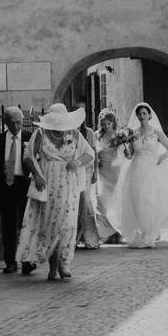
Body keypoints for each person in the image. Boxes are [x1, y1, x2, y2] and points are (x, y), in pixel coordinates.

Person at [17, 103, 95, 281]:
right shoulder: (41, 134)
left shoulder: (74, 134)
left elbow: (90, 153)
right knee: (51, 224)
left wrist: (77, 162)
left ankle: (63, 263)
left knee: (67, 223)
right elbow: (28, 157)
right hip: (48, 184)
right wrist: (36, 175)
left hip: (69, 184)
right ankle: (52, 266)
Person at [110, 102, 168, 249]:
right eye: (139, 114)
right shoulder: (132, 133)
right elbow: (130, 156)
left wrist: (161, 158)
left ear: (149, 116)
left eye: (144, 113)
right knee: (136, 200)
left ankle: (149, 235)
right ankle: (139, 233)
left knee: (149, 199)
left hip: (151, 169)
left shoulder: (156, 132)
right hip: (136, 168)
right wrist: (126, 151)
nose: (142, 116)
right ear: (136, 116)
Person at [0, 106, 35, 275]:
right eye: (14, 123)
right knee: (8, 226)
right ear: (6, 122)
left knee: (26, 225)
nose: (17, 126)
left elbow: (37, 159)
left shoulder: (29, 138)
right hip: (5, 186)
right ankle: (10, 262)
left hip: (24, 185)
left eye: (20, 122)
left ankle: (27, 261)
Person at [92, 107, 127, 244]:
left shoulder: (119, 135)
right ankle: (105, 232)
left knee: (116, 202)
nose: (106, 126)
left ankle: (117, 233)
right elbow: (93, 151)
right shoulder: (97, 135)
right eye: (104, 124)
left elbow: (124, 152)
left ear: (113, 122)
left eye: (108, 123)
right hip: (102, 170)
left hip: (115, 170)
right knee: (101, 201)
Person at [73, 103, 101, 250]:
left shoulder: (88, 132)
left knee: (85, 201)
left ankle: (90, 237)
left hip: (87, 169)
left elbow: (94, 153)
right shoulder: (69, 131)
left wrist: (95, 171)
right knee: (76, 203)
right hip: (74, 170)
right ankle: (77, 236)